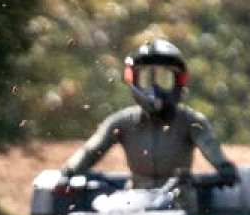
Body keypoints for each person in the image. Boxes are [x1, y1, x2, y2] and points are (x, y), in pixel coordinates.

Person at [63, 38, 236, 187]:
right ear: (133, 81)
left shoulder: (191, 122)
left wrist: (224, 169)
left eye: (164, 79)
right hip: (135, 207)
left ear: (179, 82)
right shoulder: (122, 122)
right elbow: (91, 150)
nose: (155, 89)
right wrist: (70, 171)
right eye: (147, 79)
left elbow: (212, 149)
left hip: (181, 207)